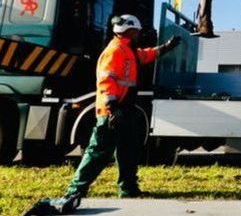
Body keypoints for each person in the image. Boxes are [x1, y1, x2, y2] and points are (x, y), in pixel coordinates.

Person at [63, 14, 181, 201]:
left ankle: (129, 189)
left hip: (124, 109)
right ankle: (75, 190)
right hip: (112, 111)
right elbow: (105, 80)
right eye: (137, 31)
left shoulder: (128, 50)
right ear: (129, 31)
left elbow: (146, 55)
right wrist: (112, 106)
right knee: (98, 152)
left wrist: (166, 47)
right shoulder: (115, 51)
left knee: (128, 150)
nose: (139, 34)